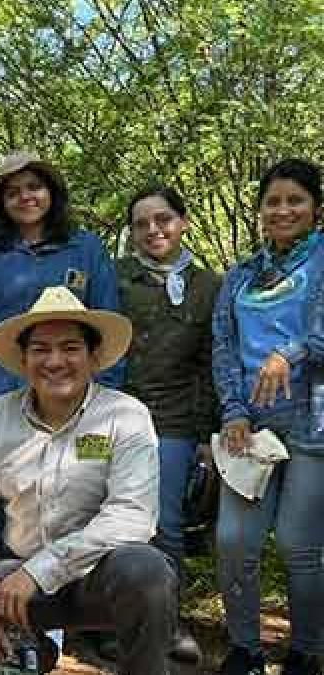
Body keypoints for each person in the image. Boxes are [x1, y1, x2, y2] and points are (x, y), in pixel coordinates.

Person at [0, 286, 177, 675]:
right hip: (16, 575)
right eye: (40, 349)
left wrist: (40, 572)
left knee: (148, 572)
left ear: (93, 357)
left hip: (98, 577)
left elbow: (132, 517)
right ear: (23, 360)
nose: (55, 361)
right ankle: (29, 653)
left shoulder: (125, 416)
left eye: (71, 348)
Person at [212, 158, 324, 675]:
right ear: (259, 211)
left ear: (315, 209)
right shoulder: (241, 275)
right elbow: (224, 346)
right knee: (235, 540)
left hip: (313, 423)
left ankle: (306, 651)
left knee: (300, 543)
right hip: (251, 428)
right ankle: (245, 649)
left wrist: (293, 353)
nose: (283, 210)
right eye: (273, 201)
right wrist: (234, 409)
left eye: (295, 200)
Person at [0, 150, 120, 444]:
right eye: (13, 192)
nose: (25, 197)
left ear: (51, 191)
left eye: (34, 187)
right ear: (1, 203)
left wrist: (104, 395)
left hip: (69, 392)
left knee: (78, 479)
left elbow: (108, 328)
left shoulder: (87, 249)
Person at [117, 184, 219, 664]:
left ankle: (167, 621)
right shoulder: (116, 279)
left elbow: (210, 364)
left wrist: (204, 435)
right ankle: (108, 620)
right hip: (113, 420)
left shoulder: (208, 286)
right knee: (104, 516)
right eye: (141, 223)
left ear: (182, 222)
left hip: (174, 423)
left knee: (165, 525)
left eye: (163, 219)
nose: (153, 230)